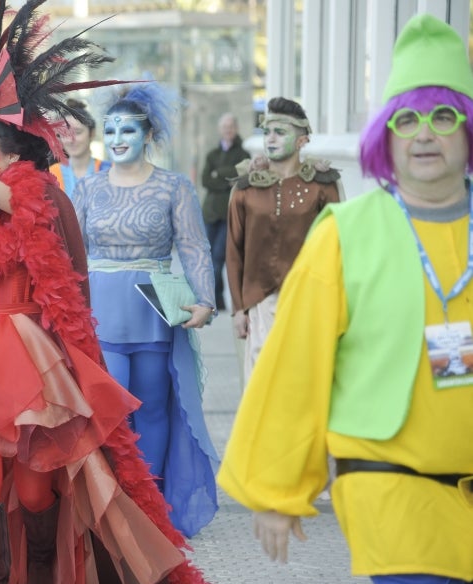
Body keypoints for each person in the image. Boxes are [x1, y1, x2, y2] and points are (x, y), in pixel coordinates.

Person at [0, 2, 216, 584]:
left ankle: (40, 577)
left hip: (31, 358)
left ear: (12, 159)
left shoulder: (35, 196)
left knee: (38, 490)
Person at [218, 13, 473, 584]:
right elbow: (295, 367)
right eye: (406, 120)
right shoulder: (344, 235)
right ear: (386, 136)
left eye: (443, 116)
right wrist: (278, 489)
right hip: (394, 494)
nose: (425, 134)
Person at [71, 81, 219, 538]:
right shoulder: (88, 187)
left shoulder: (174, 186)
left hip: (155, 311)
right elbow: (67, 253)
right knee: (113, 406)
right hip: (100, 312)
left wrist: (206, 300)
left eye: (128, 130)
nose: (117, 138)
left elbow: (195, 247)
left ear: (148, 134)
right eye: (110, 130)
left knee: (153, 406)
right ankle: (114, 501)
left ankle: (149, 503)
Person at [225, 97, 343, 381]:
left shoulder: (322, 186)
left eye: (280, 132)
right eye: (266, 132)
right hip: (259, 305)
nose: (271, 138)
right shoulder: (246, 187)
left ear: (302, 140)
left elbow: (338, 247)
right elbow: (234, 250)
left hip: (309, 303)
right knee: (261, 386)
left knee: (304, 384)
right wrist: (239, 309)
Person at [200, 112, 250, 311]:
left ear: (235, 129)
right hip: (210, 212)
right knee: (207, 257)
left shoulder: (243, 154)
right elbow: (205, 180)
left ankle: (217, 299)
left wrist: (219, 173)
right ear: (220, 130)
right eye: (225, 127)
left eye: (231, 126)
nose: (228, 130)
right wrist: (226, 179)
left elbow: (241, 178)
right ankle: (216, 299)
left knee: (218, 257)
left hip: (229, 213)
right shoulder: (212, 154)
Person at [49, 98, 110, 193]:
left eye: (78, 132)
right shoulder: (52, 174)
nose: (71, 139)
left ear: (92, 133)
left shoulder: (108, 171)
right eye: (65, 133)